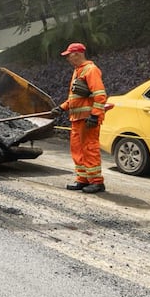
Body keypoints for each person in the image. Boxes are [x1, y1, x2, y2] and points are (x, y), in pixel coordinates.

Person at [51, 42, 108, 194]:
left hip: (88, 119)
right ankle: (83, 179)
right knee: (77, 149)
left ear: (77, 54)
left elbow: (100, 95)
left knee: (89, 148)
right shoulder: (78, 71)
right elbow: (75, 98)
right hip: (77, 118)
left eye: (69, 55)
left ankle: (96, 182)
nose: (68, 58)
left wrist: (95, 115)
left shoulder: (91, 70)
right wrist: (61, 108)